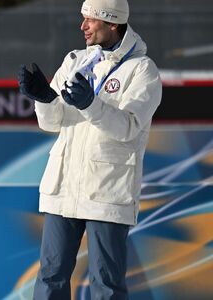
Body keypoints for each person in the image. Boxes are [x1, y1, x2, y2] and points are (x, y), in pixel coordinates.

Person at [18, 0, 161, 299]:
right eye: (82, 19)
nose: (82, 27)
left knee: (105, 285)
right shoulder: (74, 61)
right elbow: (53, 123)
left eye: (90, 20)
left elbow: (128, 128)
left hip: (107, 191)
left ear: (112, 23)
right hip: (64, 187)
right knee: (50, 277)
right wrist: (44, 99)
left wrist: (89, 104)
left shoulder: (142, 70)